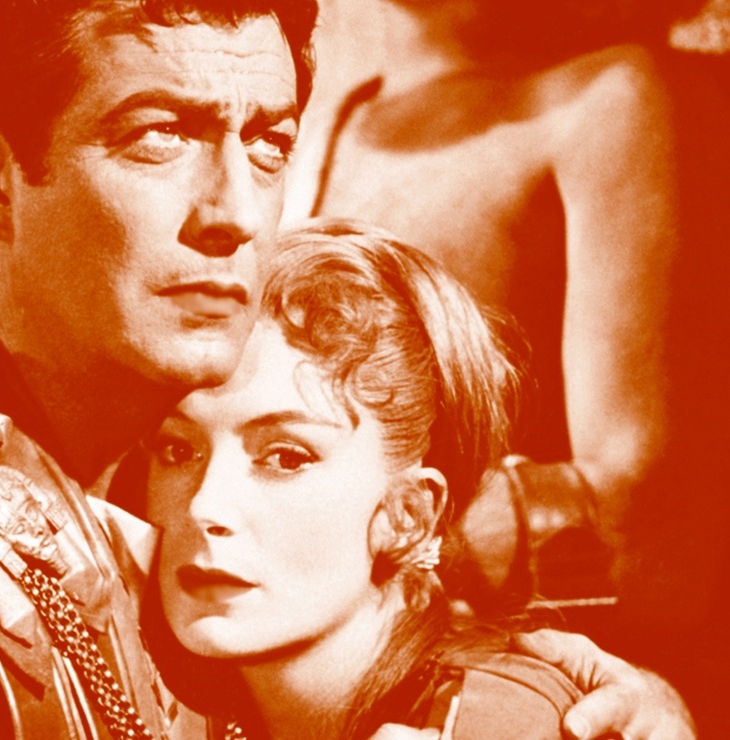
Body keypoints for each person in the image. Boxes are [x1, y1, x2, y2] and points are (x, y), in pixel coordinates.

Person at [0, 0, 696, 738]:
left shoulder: (220, 556)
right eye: (157, 136)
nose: (235, 213)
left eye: (270, 145)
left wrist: (548, 696)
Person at [288, 0, 730, 730]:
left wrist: (323, 523)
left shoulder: (608, 98)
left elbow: (647, 534)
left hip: (490, 685)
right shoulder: (326, 116)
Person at [141, 219, 692, 739]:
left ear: (408, 515)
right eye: (178, 449)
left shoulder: (491, 719)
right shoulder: (181, 692)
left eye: (286, 457)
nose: (203, 506)